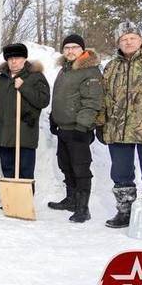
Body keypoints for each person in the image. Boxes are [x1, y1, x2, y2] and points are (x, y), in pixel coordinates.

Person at [99, 22, 142, 228]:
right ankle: (124, 211)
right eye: (123, 39)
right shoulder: (111, 66)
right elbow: (103, 97)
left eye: (132, 38)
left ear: (141, 40)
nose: (128, 42)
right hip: (118, 128)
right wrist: (101, 123)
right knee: (121, 173)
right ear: (118, 42)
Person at [47, 34, 103, 223]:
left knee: (80, 168)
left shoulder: (90, 70)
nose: (70, 51)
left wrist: (83, 125)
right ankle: (71, 200)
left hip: (78, 129)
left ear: (82, 50)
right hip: (64, 127)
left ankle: (83, 208)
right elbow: (62, 97)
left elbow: (93, 100)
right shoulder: (66, 69)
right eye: (67, 48)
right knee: (65, 165)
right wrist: (54, 118)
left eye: (74, 47)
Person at [0, 44, 50, 198]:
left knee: (25, 170)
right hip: (4, 131)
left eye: (17, 58)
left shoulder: (35, 77)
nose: (13, 62)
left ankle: (25, 200)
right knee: (8, 168)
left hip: (25, 132)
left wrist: (24, 87)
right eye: (10, 58)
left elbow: (43, 101)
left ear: (24, 59)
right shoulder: (1, 79)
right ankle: (10, 199)